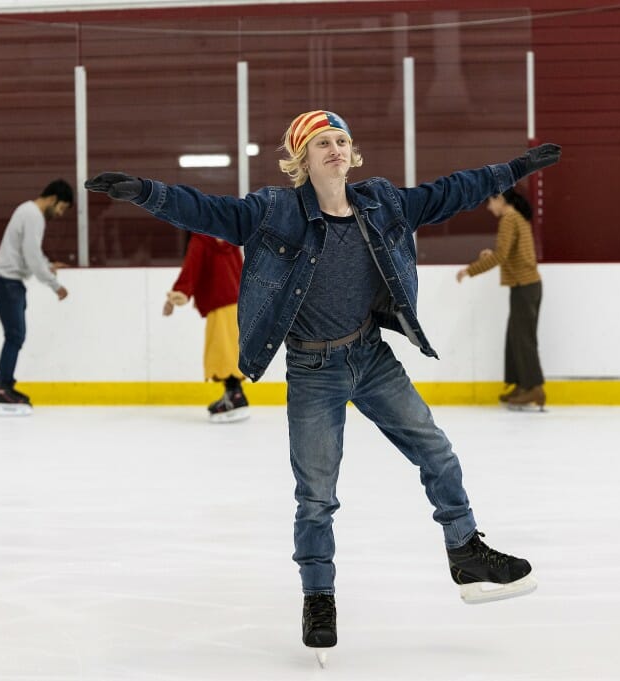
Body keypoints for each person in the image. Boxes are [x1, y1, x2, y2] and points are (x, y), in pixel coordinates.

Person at [85, 110, 560, 660]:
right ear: (301, 160)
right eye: (321, 143)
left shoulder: (383, 202)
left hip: (370, 355)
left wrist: (514, 170)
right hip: (313, 370)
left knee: (438, 452)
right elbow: (206, 211)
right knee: (316, 497)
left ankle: (466, 551)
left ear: (351, 152)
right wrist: (145, 191)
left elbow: (452, 191)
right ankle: (319, 597)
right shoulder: (274, 212)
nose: (335, 148)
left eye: (341, 140)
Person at [0, 179, 73, 415]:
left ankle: (2, 383)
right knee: (15, 336)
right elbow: (32, 257)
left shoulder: (26, 210)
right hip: (7, 282)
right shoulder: (34, 216)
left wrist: (46, 265)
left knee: (14, 335)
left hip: (7, 281)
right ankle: (3, 387)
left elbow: (30, 253)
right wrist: (55, 285)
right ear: (54, 199)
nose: (60, 214)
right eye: (62, 208)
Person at [456, 187, 546, 410]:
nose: (489, 207)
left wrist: (470, 270)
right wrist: (493, 256)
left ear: (501, 199)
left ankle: (534, 388)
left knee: (523, 338)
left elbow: (502, 255)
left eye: (490, 202)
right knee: (516, 337)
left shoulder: (509, 218)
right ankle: (522, 385)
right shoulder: (517, 218)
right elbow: (509, 254)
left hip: (524, 287)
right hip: (527, 286)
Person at [162, 231, 249, 422]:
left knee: (221, 352)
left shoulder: (200, 240)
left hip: (220, 304)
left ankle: (235, 396)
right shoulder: (230, 236)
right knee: (231, 351)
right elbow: (241, 268)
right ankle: (234, 393)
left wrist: (175, 296)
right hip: (238, 303)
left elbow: (190, 270)